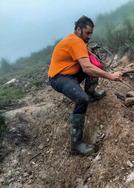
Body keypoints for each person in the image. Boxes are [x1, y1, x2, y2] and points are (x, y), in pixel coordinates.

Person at [48, 16, 122, 155]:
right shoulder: (75, 41)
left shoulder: (78, 40)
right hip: (59, 78)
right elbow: (87, 68)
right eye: (87, 33)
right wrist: (111, 76)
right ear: (78, 29)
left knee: (93, 67)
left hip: (70, 72)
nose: (89, 36)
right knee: (82, 99)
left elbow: (89, 64)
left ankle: (91, 93)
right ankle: (76, 145)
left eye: (91, 33)